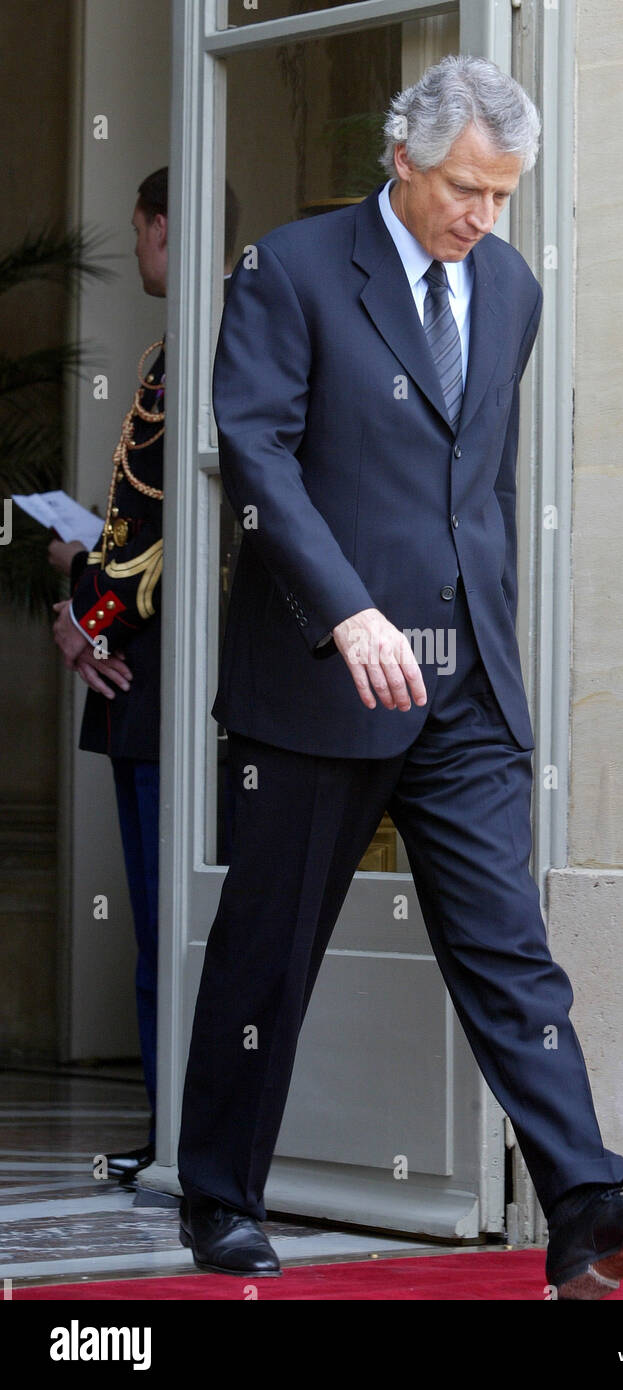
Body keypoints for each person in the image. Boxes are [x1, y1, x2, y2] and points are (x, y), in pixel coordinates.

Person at [176, 56, 623, 1298]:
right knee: (269, 955)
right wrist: (345, 611)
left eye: (502, 195)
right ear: (400, 156)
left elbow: (482, 489)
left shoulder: (510, 287)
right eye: (465, 188)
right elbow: (254, 453)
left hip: (462, 683)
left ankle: (583, 1201)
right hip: (322, 676)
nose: (481, 217)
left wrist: (498, 650)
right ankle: (217, 1196)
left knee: (506, 944)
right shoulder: (293, 270)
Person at [50, 167, 168, 1184]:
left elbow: (155, 539)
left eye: (136, 231)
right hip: (161, 683)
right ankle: (178, 1129)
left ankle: (183, 1134)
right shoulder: (172, 352)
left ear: (161, 230)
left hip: (157, 686)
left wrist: (82, 619)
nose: (135, 249)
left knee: (164, 927)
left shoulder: (191, 354)